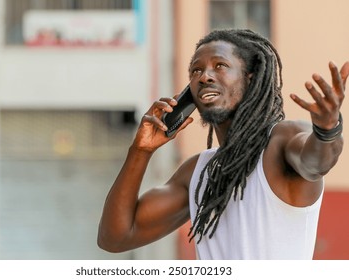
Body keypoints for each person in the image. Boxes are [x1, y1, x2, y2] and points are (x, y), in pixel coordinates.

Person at [97, 29, 348, 259]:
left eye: (220, 66)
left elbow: (317, 162)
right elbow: (115, 238)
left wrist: (327, 130)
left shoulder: (283, 140)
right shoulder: (197, 170)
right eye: (196, 71)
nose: (205, 76)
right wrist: (140, 151)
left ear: (250, 79)